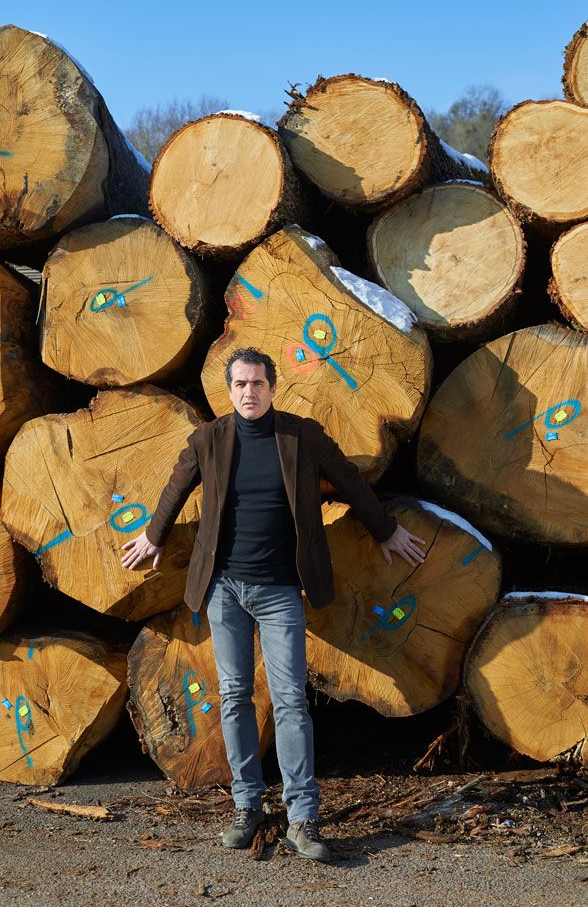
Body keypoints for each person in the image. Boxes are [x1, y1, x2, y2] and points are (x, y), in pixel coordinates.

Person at [121, 347, 425, 862]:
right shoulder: (209, 439)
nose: (249, 392)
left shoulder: (299, 435)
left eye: (257, 383)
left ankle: (303, 817)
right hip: (224, 590)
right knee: (236, 696)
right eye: (240, 384)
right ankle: (247, 807)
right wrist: (153, 536)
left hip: (282, 589)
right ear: (230, 389)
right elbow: (176, 485)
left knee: (289, 702)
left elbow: (349, 480)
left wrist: (387, 530)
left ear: (272, 387)